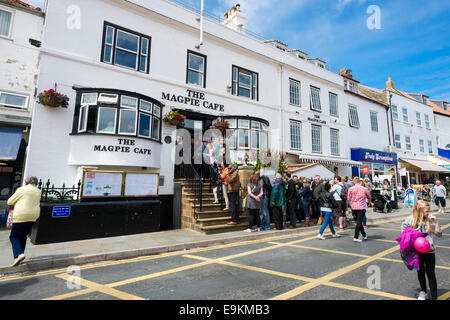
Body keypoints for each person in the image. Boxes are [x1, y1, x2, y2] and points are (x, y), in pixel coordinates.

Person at [401, 200, 442, 300]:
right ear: (419, 211)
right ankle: (423, 292)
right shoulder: (409, 220)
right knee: (420, 272)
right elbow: (403, 235)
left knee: (431, 274)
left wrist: (436, 222)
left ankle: (434, 296)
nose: (428, 213)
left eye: (428, 211)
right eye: (426, 211)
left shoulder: (430, 219)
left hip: (429, 252)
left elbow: (439, 234)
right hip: (417, 252)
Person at [7, 176, 41, 267]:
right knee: (23, 236)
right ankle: (19, 258)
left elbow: (10, 201)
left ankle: (19, 254)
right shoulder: (38, 191)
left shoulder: (21, 189)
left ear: (27, 181)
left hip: (21, 216)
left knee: (13, 236)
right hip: (33, 216)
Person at [348, 177, 371, 242]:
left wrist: (350, 205)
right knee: (359, 222)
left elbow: (349, 198)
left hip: (354, 207)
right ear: (359, 182)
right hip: (361, 207)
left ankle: (364, 235)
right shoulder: (364, 188)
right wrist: (369, 203)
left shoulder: (351, 189)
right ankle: (356, 236)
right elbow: (369, 196)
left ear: (354, 182)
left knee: (358, 222)